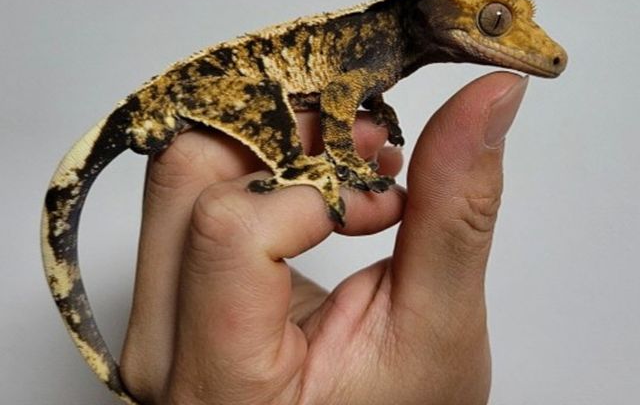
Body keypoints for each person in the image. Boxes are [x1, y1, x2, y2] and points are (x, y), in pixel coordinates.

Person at [119, 71, 527, 405]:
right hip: (205, 95)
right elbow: (337, 95)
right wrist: (345, 158)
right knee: (266, 121)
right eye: (494, 21)